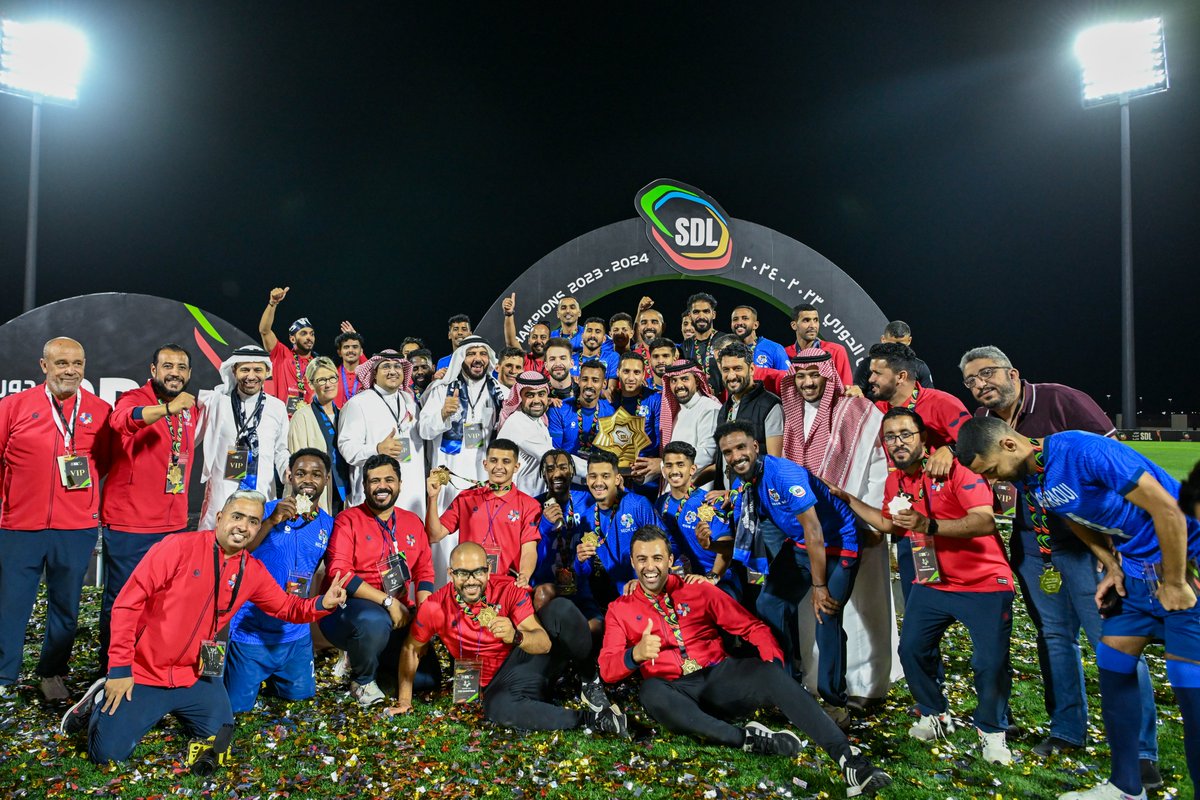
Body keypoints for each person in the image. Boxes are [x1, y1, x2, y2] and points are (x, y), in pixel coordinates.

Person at [957, 418, 1200, 798]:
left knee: (1190, 687)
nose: (992, 481)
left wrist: (1174, 581)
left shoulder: (1085, 451)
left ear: (1008, 445)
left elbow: (1168, 510)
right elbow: (1070, 514)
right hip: (1136, 572)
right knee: (1113, 661)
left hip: (1184, 563)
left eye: (990, 471)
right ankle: (1126, 787)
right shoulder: (1029, 477)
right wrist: (1111, 563)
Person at [960, 346, 1158, 778]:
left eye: (987, 373)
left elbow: (1119, 469)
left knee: (1114, 639)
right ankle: (1068, 729)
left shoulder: (1061, 400)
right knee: (1054, 639)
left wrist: (1115, 553)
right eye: (971, 381)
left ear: (1013, 371)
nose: (980, 385)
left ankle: (1142, 750)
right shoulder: (982, 423)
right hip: (1036, 545)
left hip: (1089, 546)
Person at [599, 526, 891, 798]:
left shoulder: (698, 590)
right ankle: (747, 739)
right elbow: (608, 670)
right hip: (675, 691)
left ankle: (849, 760)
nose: (650, 566)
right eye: (642, 559)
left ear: (670, 559)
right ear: (633, 563)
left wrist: (775, 671)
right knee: (650, 692)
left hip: (718, 677)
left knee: (766, 673)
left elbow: (753, 628)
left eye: (657, 558)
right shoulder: (619, 609)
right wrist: (634, 654)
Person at [62, 491, 348, 763]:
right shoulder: (177, 547)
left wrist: (323, 603)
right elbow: (126, 605)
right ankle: (99, 703)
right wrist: (121, 668)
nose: (243, 526)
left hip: (195, 673)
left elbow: (287, 608)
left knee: (220, 736)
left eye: (253, 521)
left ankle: (177, 708)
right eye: (237, 516)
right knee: (107, 755)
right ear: (220, 517)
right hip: (145, 672)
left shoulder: (252, 571)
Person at [830, 409, 1014, 765]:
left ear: (923, 438)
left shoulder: (955, 469)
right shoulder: (895, 481)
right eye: (890, 437)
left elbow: (984, 521)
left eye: (905, 434)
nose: (897, 443)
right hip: (933, 582)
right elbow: (890, 524)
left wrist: (928, 525)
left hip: (984, 582)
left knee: (989, 663)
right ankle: (935, 711)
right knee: (912, 649)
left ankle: (992, 730)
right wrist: (848, 499)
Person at [392, 542, 628, 734]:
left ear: (488, 570)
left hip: (528, 661)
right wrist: (404, 700)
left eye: (478, 572)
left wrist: (515, 636)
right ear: (450, 573)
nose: (472, 580)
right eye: (463, 573)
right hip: (498, 686)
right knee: (496, 708)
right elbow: (411, 649)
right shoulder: (435, 606)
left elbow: (543, 642)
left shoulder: (507, 589)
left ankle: (590, 681)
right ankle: (595, 720)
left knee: (561, 610)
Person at [714, 421, 861, 726]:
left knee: (825, 615)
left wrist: (819, 585)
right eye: (728, 451)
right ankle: (788, 687)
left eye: (741, 447)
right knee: (770, 604)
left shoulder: (784, 473)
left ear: (756, 446)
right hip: (801, 545)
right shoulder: (745, 482)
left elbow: (814, 529)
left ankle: (835, 703)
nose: (735, 455)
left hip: (836, 543)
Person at [781, 349, 899, 711]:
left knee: (865, 606)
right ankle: (819, 680)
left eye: (814, 375)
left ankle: (868, 684)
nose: (807, 383)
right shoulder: (791, 414)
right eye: (800, 377)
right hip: (812, 531)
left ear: (828, 376)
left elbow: (878, 464)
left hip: (857, 526)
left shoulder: (857, 411)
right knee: (815, 609)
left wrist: (871, 518)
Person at [0, 337, 112, 701]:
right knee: (12, 603)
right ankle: (5, 674)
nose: (71, 370)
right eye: (62, 362)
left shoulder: (100, 409)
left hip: (75, 528)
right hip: (20, 527)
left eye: (77, 363)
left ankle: (51, 672)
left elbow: (105, 462)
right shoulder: (13, 407)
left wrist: (85, 503)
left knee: (66, 606)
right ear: (44, 365)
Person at [98, 343, 197, 674]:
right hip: (131, 525)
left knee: (160, 604)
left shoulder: (190, 408)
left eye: (182, 367)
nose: (175, 373)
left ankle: (146, 669)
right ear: (153, 370)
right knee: (123, 602)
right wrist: (167, 410)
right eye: (167, 366)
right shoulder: (134, 399)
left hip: (172, 525)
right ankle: (111, 671)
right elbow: (122, 421)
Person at [318, 454, 438, 706]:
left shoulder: (411, 521)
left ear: (400, 484)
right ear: (364, 486)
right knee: (374, 620)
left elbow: (425, 572)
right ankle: (362, 680)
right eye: (374, 481)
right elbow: (339, 574)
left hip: (399, 611)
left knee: (426, 680)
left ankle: (373, 658)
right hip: (349, 610)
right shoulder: (348, 520)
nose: (381, 486)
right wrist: (387, 602)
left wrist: (423, 617)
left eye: (388, 480)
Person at [224, 450, 335, 712]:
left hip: (294, 634)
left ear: (327, 479)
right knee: (236, 709)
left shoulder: (328, 525)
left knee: (302, 702)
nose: (308, 479)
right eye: (301, 473)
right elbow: (237, 553)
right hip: (251, 633)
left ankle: (279, 677)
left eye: (316, 474)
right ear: (289, 476)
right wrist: (271, 521)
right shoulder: (265, 510)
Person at [867, 341, 970, 602]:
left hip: (949, 528)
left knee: (965, 606)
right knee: (918, 610)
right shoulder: (876, 411)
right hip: (909, 530)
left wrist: (952, 449)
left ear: (901, 376)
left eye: (877, 373)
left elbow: (980, 444)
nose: (870, 379)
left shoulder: (942, 403)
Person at [195, 346, 290, 531]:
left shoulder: (277, 407)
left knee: (257, 543)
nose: (251, 376)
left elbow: (281, 449)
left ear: (267, 372)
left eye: (258, 370)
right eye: (245, 369)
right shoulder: (216, 402)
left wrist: (286, 468)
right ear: (234, 370)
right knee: (217, 538)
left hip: (261, 489)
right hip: (223, 489)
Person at [425, 439, 541, 586]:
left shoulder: (530, 505)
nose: (499, 467)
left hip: (508, 586)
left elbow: (529, 550)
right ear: (485, 464)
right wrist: (433, 498)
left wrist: (524, 575)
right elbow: (433, 535)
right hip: (469, 586)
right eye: (493, 460)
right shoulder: (466, 498)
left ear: (516, 466)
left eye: (506, 461)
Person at [419, 336, 508, 515]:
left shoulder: (501, 393)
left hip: (485, 476)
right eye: (471, 354)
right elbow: (424, 431)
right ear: (460, 358)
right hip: (451, 480)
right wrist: (443, 414)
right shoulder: (441, 390)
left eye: (483, 353)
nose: (478, 358)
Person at [338, 350, 426, 516]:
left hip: (412, 491)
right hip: (376, 492)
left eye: (397, 367)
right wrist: (377, 449)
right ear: (374, 373)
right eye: (386, 366)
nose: (393, 371)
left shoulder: (410, 402)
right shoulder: (358, 404)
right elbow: (347, 448)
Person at [573, 451, 659, 616]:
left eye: (605, 476)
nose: (598, 482)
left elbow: (667, 547)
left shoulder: (637, 504)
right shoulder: (587, 517)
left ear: (617, 479)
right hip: (607, 602)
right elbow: (584, 572)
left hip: (643, 596)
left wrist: (644, 579)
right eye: (593, 476)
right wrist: (580, 560)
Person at [655, 442, 736, 594]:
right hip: (678, 579)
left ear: (692, 469)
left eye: (680, 465)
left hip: (717, 580)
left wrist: (711, 577)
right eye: (669, 465)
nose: (674, 471)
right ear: (664, 470)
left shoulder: (706, 503)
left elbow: (728, 548)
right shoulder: (661, 503)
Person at [531, 450, 592, 612]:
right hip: (545, 584)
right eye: (550, 469)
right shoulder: (532, 507)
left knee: (595, 627)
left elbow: (614, 501)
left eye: (563, 467)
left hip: (580, 584)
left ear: (572, 470)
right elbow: (529, 557)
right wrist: (544, 526)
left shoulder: (587, 499)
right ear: (543, 474)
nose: (557, 473)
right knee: (542, 595)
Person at [287, 356, 349, 513]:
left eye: (332, 378)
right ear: (311, 384)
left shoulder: (345, 415)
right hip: (315, 495)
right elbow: (298, 466)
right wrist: (304, 508)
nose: (328, 384)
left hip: (343, 490)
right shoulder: (302, 417)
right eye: (321, 380)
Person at [659, 360, 722, 487]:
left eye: (684, 379)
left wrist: (663, 465)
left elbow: (706, 454)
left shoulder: (709, 408)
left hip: (698, 489)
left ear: (697, 381)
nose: (679, 385)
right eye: (673, 380)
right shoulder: (677, 411)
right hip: (673, 487)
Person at [718, 342, 783, 465]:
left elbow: (775, 463)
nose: (731, 376)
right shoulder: (724, 409)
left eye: (737, 368)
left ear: (752, 369)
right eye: (726, 370)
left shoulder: (771, 406)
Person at [258, 287, 317, 415]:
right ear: (292, 338)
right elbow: (264, 330)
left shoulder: (317, 364)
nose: (309, 337)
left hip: (309, 422)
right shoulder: (281, 353)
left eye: (312, 334)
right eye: (304, 333)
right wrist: (273, 303)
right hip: (282, 421)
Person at [496, 371, 554, 497]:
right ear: (519, 397)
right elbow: (554, 459)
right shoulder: (518, 423)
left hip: (533, 499)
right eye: (530, 395)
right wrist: (594, 471)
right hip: (516, 504)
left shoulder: (538, 421)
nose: (537, 400)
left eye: (541, 394)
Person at [616, 351, 663, 497]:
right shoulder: (610, 400)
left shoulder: (655, 400)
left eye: (636, 372)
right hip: (615, 476)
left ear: (644, 375)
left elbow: (661, 440)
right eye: (626, 371)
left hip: (646, 478)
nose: (631, 378)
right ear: (618, 372)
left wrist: (659, 463)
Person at [548, 360, 614, 462]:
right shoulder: (559, 409)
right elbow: (554, 453)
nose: (589, 385)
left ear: (604, 383)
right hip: (568, 472)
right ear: (578, 381)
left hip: (597, 471)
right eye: (585, 379)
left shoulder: (610, 412)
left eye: (595, 380)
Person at [852, 321, 933, 393]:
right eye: (891, 345)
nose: (896, 350)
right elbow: (857, 392)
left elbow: (929, 397)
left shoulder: (920, 367)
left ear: (909, 341)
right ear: (883, 339)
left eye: (901, 345)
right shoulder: (867, 364)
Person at [785, 304, 853, 386]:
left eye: (815, 320)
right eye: (806, 320)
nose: (813, 326)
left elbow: (846, 389)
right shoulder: (785, 353)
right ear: (794, 325)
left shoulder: (836, 351)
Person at [500, 292, 551, 373]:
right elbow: (511, 343)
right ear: (528, 340)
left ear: (549, 341)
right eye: (534, 337)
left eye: (543, 337)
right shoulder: (524, 360)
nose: (538, 341)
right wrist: (509, 314)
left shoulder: (554, 363)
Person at [730, 305, 789, 369]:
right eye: (735, 319)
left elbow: (787, 377)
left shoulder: (774, 348)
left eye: (745, 318)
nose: (739, 322)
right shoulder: (726, 348)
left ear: (755, 325)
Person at [573, 317, 620, 397]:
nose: (593, 335)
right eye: (589, 331)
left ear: (604, 338)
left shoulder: (612, 357)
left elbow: (611, 392)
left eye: (597, 332)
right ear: (582, 336)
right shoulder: (571, 359)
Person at [679, 292, 725, 373]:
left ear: (713, 314)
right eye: (696, 312)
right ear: (690, 315)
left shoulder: (726, 341)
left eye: (706, 311)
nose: (701, 316)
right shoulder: (684, 347)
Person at [333, 331, 367, 407]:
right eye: (346, 347)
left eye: (355, 347)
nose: (351, 350)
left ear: (361, 351)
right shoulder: (332, 376)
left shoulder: (368, 376)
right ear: (339, 352)